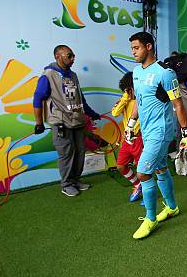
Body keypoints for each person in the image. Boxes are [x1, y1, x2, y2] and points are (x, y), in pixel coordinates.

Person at [127, 31, 187, 240]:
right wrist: (131, 123)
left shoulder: (165, 73)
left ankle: (150, 219)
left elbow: (177, 103)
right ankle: (172, 207)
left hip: (161, 131)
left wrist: (185, 132)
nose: (133, 52)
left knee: (143, 174)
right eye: (132, 49)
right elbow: (139, 100)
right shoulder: (136, 72)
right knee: (160, 168)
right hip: (146, 130)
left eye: (136, 48)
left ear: (148, 46)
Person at [33, 45, 101, 197]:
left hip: (77, 120)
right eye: (69, 56)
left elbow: (80, 99)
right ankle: (66, 184)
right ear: (58, 56)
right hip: (60, 122)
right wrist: (38, 123)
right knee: (66, 154)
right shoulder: (48, 75)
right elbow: (38, 98)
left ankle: (76, 180)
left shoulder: (73, 75)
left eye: (73, 56)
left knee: (80, 152)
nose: (73, 59)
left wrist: (92, 113)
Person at [112, 72, 143, 202]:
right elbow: (114, 113)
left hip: (140, 139)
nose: (128, 92)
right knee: (120, 166)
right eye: (125, 90)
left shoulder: (142, 99)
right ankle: (137, 185)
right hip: (127, 140)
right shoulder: (125, 100)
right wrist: (125, 97)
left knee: (142, 170)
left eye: (128, 89)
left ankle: (148, 194)